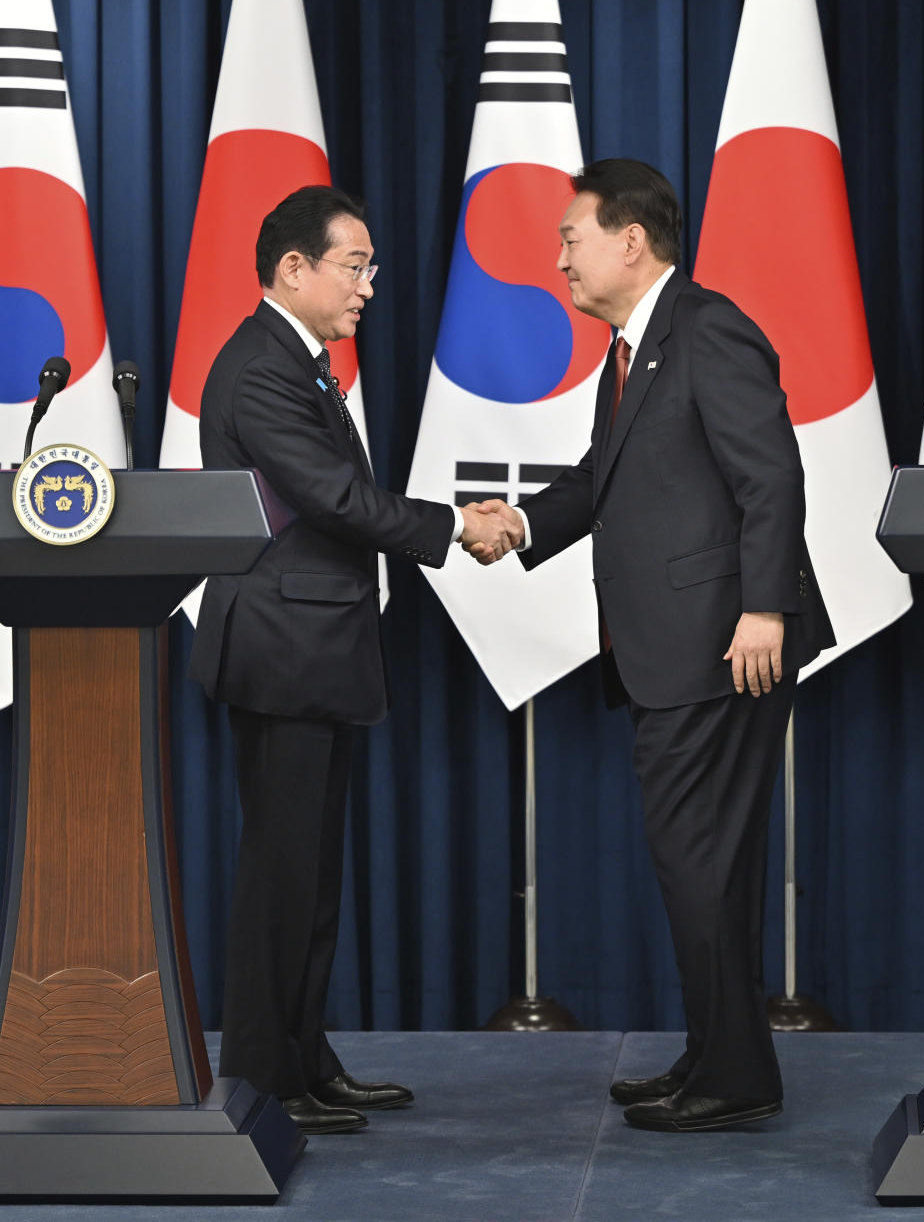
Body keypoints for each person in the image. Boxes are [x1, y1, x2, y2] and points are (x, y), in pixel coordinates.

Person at [467, 159, 835, 1132]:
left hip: (723, 646)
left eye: (569, 238)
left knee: (698, 860)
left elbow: (774, 477)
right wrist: (524, 526)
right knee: (701, 864)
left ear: (632, 241)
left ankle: (733, 1075)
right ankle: (721, 1060)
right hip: (676, 650)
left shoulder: (707, 329)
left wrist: (765, 608)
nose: (557, 261)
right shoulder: (637, 350)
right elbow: (603, 479)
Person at [190, 184, 520, 1135]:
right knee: (282, 874)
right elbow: (335, 498)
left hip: (314, 646)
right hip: (282, 648)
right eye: (355, 265)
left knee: (313, 871)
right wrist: (457, 525)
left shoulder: (298, 361)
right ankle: (262, 1075)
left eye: (370, 267)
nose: (369, 285)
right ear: (293, 269)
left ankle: (304, 1059)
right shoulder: (262, 368)